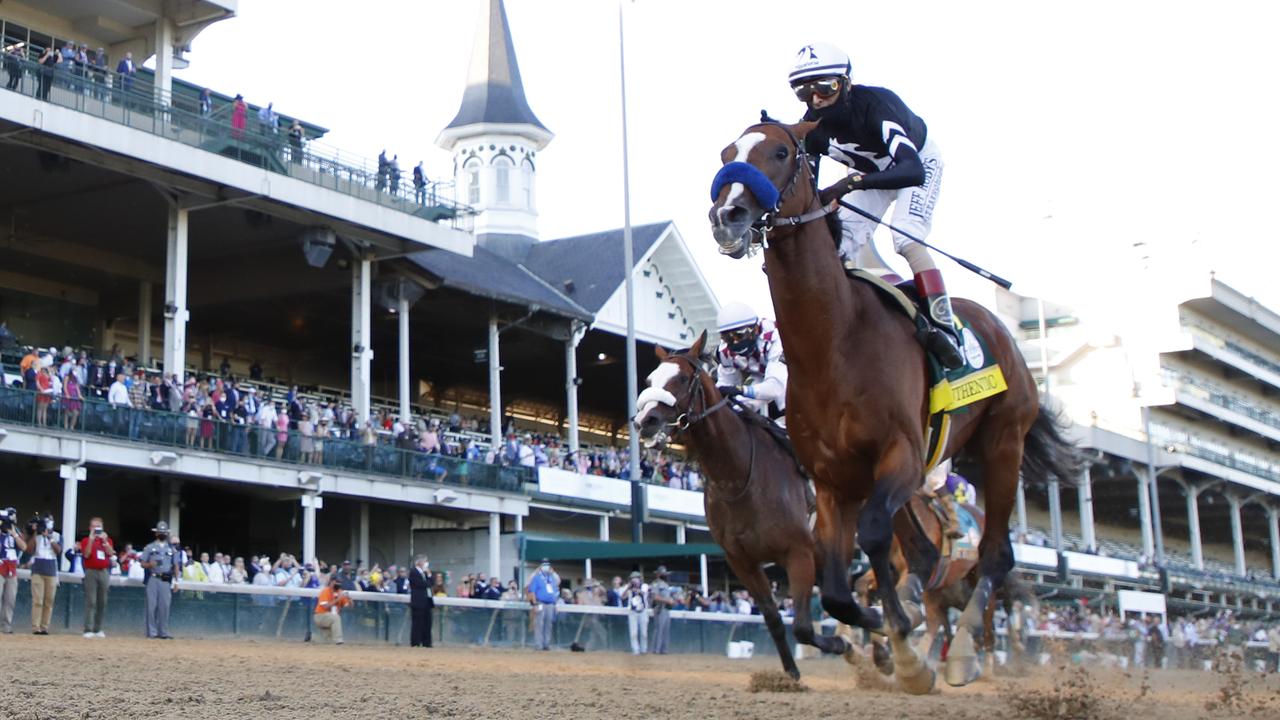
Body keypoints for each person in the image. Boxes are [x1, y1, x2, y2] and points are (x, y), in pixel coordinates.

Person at [789, 42, 963, 369]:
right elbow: (808, 192)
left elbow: (910, 170)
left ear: (846, 83)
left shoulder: (876, 106)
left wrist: (849, 183)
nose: (816, 99)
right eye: (803, 90)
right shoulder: (810, 129)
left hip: (917, 162)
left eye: (824, 87)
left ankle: (945, 327)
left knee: (907, 237)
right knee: (837, 244)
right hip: (871, 173)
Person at [713, 302, 788, 424]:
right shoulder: (725, 352)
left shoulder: (776, 338)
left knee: (785, 399)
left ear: (755, 329)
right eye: (728, 338)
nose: (735, 342)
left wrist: (741, 390)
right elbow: (724, 386)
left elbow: (776, 387)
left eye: (739, 335)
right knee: (736, 408)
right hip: (761, 377)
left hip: (790, 377)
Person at [140, 520, 179, 639]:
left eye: (164, 532)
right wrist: (149, 565)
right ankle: (151, 632)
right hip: (153, 578)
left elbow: (176, 565)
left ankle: (163, 632)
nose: (162, 534)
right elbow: (142, 563)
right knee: (151, 606)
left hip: (166, 579)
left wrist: (177, 581)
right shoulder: (150, 547)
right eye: (160, 532)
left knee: (165, 606)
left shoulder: (172, 549)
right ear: (156, 533)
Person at [79, 517, 116, 638]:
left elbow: (111, 553)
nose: (96, 530)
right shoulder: (85, 540)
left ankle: (98, 628)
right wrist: (91, 539)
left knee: (102, 601)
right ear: (90, 528)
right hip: (91, 571)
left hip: (104, 571)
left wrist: (104, 542)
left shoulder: (107, 540)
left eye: (98, 527)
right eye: (94, 527)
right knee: (91, 601)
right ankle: (88, 628)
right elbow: (86, 554)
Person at [25, 513, 60, 634]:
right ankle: (36, 626)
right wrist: (35, 533)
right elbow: (29, 550)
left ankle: (45, 626)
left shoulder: (56, 535)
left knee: (49, 600)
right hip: (38, 568)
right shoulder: (37, 536)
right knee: (38, 599)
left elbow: (58, 550)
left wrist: (49, 537)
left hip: (51, 569)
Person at [0, 508, 27, 634]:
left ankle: (6, 625)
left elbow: (23, 547)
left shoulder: (16, 531)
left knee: (10, 598)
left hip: (11, 568)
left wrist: (13, 533)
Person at [525, 559, 560, 651]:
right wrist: (534, 604)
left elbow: (555, 591)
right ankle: (538, 645)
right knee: (539, 624)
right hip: (540, 602)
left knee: (549, 625)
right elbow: (532, 591)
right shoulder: (536, 578)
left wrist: (555, 604)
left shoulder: (552, 578)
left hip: (551, 604)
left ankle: (546, 644)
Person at [923, 461, 963, 539]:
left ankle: (954, 525)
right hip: (934, 483)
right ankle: (955, 525)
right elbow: (947, 471)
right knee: (948, 504)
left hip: (931, 483)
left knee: (947, 503)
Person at [313, 573, 352, 645]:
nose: (339, 583)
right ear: (332, 581)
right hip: (320, 616)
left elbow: (349, 606)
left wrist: (350, 599)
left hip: (330, 619)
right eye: (337, 581)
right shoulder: (325, 591)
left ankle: (311, 637)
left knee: (327, 641)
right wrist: (338, 599)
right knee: (336, 618)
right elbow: (325, 606)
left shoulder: (340, 592)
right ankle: (338, 640)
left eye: (340, 582)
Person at [648, 566, 675, 654]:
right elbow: (655, 597)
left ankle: (664, 650)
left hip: (666, 608)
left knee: (665, 630)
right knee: (658, 629)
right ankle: (655, 650)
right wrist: (667, 600)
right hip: (659, 608)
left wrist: (672, 601)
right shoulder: (655, 584)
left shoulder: (666, 585)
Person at [408, 555, 434, 648]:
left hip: (427, 600)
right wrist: (429, 580)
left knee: (427, 622)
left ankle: (427, 643)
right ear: (419, 562)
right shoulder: (413, 572)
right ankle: (415, 642)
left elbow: (431, 583)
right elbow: (424, 584)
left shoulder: (425, 573)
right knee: (417, 623)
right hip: (418, 601)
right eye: (425, 561)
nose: (426, 563)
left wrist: (429, 575)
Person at [622, 571, 649, 655]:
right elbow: (622, 597)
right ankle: (635, 650)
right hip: (632, 612)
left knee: (644, 633)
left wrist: (635, 589)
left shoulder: (644, 586)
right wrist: (628, 588)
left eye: (636, 578)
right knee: (633, 633)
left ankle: (643, 650)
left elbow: (643, 593)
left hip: (643, 611)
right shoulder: (628, 587)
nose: (634, 580)